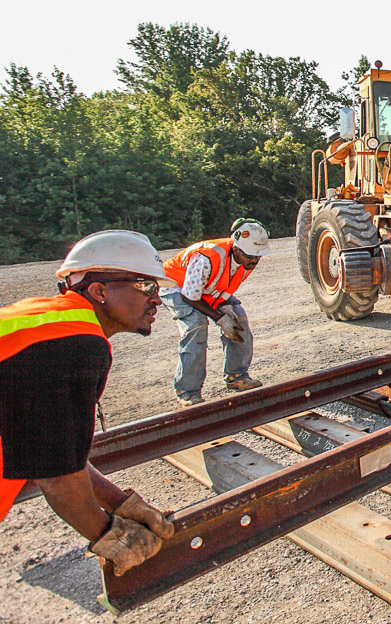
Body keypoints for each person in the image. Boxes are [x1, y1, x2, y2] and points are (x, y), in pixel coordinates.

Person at [0, 230, 177, 576]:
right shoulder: (73, 342)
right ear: (98, 291)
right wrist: (109, 535)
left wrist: (120, 503)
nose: (157, 299)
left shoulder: (49, 325)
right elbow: (57, 475)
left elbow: (54, 450)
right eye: (147, 286)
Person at [161, 219, 270, 406]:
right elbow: (189, 297)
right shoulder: (207, 258)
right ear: (236, 249)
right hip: (176, 286)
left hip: (206, 290)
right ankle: (188, 391)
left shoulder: (247, 261)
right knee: (196, 325)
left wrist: (224, 305)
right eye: (250, 255)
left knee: (239, 318)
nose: (254, 260)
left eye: (258, 256)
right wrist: (219, 318)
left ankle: (237, 376)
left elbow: (224, 287)